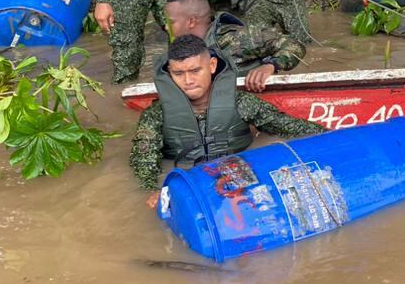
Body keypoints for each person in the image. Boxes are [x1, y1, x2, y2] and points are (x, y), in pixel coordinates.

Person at [130, 34, 322, 205]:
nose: (188, 81)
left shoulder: (242, 103)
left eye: (195, 71)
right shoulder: (155, 115)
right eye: (178, 74)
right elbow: (143, 163)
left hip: (240, 178)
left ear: (212, 66)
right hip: (188, 186)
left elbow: (292, 128)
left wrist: (334, 136)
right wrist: (152, 191)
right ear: (169, 72)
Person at [163, 0, 305, 92]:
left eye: (171, 22)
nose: (166, 27)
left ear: (191, 22)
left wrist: (271, 65)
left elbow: (294, 44)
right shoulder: (181, 48)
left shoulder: (235, 38)